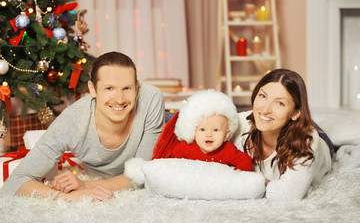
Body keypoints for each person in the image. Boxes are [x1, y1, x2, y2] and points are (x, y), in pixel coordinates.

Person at [2, 51, 165, 201]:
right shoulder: (72, 120)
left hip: (163, 125)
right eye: (109, 88)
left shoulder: (150, 98)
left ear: (137, 87)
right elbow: (14, 182)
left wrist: (86, 185)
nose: (120, 99)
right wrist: (69, 197)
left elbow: (143, 174)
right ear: (92, 89)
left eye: (127, 88)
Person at [232, 69, 332, 201]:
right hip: (284, 122)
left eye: (280, 103)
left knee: (311, 128)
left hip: (319, 142)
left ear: (296, 112)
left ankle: (306, 121)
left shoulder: (306, 143)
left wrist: (247, 179)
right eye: (262, 96)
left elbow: (288, 195)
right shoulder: (240, 123)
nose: (265, 109)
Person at [163, 89, 252, 171]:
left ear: (226, 135)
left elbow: (246, 161)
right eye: (202, 129)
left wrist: (235, 175)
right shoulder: (187, 147)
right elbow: (170, 161)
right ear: (194, 132)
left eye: (216, 130)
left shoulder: (228, 150)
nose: (209, 134)